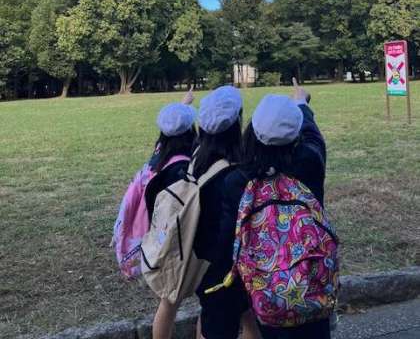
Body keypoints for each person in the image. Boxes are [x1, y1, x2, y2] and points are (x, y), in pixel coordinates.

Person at [212, 79, 332, 339]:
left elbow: (227, 241)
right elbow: (313, 136)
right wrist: (301, 103)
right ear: (296, 135)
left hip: (265, 294)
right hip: (311, 285)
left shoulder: (237, 181)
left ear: (253, 132)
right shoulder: (310, 163)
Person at [112, 89, 196, 339]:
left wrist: (184, 103)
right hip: (176, 245)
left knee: (167, 303)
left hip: (156, 240)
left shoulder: (159, 157)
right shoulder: (182, 168)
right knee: (173, 301)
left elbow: (173, 127)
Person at [193, 85, 260, 339]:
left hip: (204, 266)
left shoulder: (196, 160)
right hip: (231, 270)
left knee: (211, 320)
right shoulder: (238, 173)